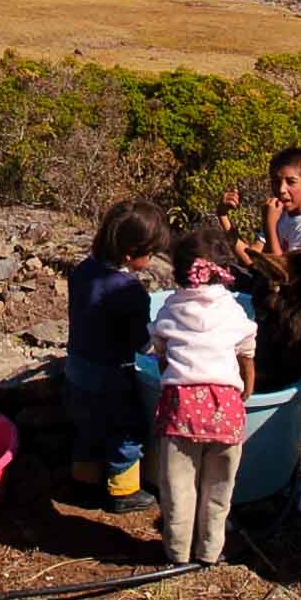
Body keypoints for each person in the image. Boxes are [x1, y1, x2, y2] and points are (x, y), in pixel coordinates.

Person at [148, 226, 257, 564]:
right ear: (223, 270)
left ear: (179, 271)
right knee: (219, 490)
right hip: (226, 410)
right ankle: (210, 552)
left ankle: (177, 553)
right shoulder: (235, 311)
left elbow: (160, 351)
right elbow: (247, 357)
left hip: (180, 410)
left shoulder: (170, 309)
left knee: (178, 489)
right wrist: (245, 394)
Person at [65, 198, 172, 513]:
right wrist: (161, 348)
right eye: (149, 254)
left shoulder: (83, 271)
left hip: (76, 369)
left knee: (87, 428)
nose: (151, 260)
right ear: (129, 254)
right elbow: (141, 343)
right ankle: (123, 491)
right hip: (110, 377)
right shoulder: (129, 291)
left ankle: (83, 480)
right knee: (127, 430)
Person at [219, 146, 301, 258]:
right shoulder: (281, 214)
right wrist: (223, 216)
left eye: (291, 182)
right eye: (276, 182)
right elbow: (251, 259)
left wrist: (270, 226)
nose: (281, 189)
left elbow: (284, 275)